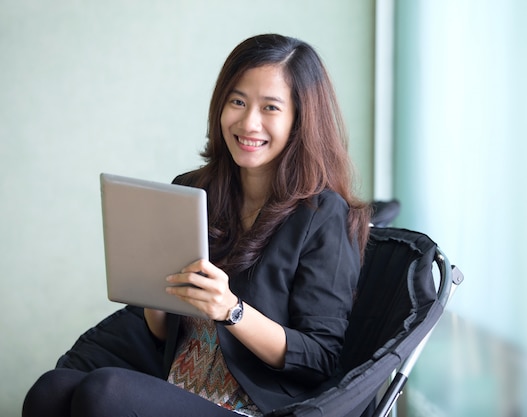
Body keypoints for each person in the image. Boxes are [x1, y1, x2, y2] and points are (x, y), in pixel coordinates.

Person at [22, 33, 371, 417]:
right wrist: (156, 292)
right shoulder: (193, 190)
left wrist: (232, 310)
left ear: (300, 120)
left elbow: (320, 358)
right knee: (50, 391)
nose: (249, 122)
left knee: (107, 393)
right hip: (179, 384)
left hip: (253, 406)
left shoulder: (323, 215)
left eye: (270, 108)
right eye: (237, 101)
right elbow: (160, 333)